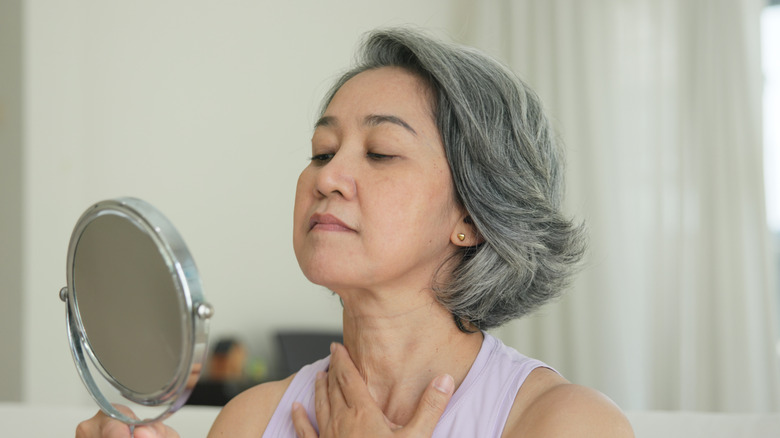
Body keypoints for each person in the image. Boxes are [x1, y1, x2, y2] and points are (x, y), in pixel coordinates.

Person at [76, 28, 634, 438]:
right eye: (322, 151)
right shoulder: (251, 420)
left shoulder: (564, 423)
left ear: (470, 216)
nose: (328, 177)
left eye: (381, 152)